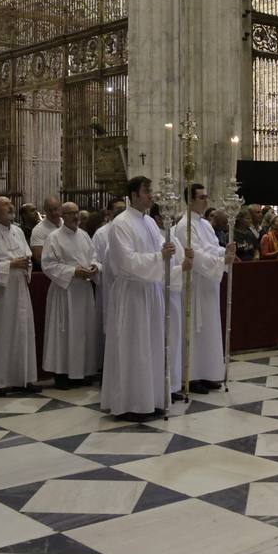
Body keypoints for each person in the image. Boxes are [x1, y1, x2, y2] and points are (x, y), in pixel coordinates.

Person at [101, 177, 176, 421]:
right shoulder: (121, 224)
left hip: (151, 291)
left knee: (152, 345)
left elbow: (162, 256)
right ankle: (130, 402)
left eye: (150, 191)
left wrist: (168, 256)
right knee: (134, 347)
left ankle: (151, 399)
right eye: (146, 191)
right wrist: (158, 257)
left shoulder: (152, 224)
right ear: (133, 195)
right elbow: (126, 261)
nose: (151, 196)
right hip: (132, 294)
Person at [171, 184, 234, 392]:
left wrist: (225, 251)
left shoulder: (205, 224)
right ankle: (193, 375)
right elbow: (194, 253)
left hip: (209, 285)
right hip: (194, 285)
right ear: (190, 200)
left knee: (209, 328)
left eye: (206, 196)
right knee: (194, 330)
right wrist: (220, 260)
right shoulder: (184, 226)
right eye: (202, 197)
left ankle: (209, 372)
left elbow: (212, 246)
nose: (206, 200)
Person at [0, 196, 39, 392]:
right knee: (3, 334)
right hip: (3, 293)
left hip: (21, 288)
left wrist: (25, 264)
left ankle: (25, 377)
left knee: (24, 332)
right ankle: (1, 380)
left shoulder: (19, 231)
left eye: (10, 204)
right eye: (5, 205)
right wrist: (10, 264)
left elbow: (28, 255)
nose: (10, 206)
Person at [41, 202, 101, 387]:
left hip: (83, 291)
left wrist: (94, 267)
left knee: (84, 331)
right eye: (71, 214)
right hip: (65, 292)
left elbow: (95, 257)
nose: (76, 217)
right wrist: (73, 272)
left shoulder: (84, 236)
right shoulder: (54, 237)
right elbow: (48, 265)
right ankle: (63, 374)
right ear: (62, 215)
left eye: (77, 213)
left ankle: (83, 371)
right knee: (65, 333)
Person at [29, 196, 62, 270]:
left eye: (55, 209)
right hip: (51, 271)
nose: (53, 213)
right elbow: (39, 258)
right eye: (50, 210)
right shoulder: (38, 230)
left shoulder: (66, 224)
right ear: (45, 210)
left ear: (60, 208)